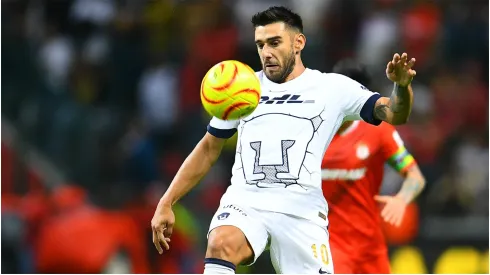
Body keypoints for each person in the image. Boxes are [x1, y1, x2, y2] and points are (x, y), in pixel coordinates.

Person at [151, 6, 417, 274]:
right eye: (260, 45)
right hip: (246, 203)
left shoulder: (332, 88)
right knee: (221, 244)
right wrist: (167, 201)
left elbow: (395, 112)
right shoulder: (242, 89)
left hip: (301, 213)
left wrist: (402, 86)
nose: (266, 52)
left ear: (298, 42)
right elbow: (209, 148)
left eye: (274, 43)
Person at [321, 58, 426, 274]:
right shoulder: (312, 132)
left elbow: (414, 176)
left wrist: (402, 198)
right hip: (329, 247)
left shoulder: (378, 132)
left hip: (371, 248)